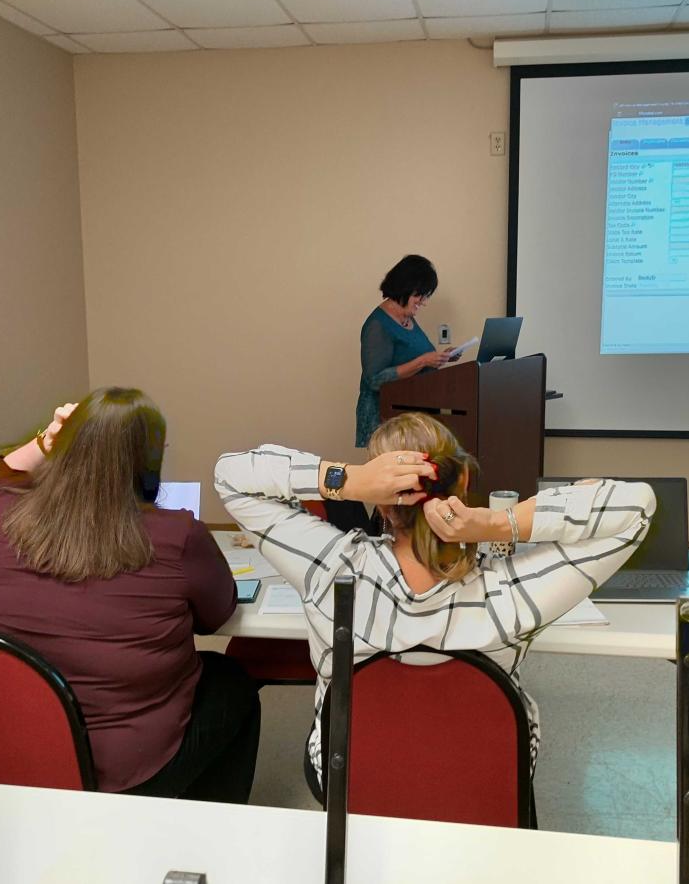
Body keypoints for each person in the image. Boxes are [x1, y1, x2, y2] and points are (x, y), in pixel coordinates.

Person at [214, 412, 655, 802]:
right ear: (462, 483)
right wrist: (498, 522)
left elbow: (230, 476)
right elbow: (637, 508)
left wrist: (346, 480)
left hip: (350, 779)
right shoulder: (510, 592)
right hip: (488, 780)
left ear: (381, 502)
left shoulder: (331, 570)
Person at [0, 387, 260, 803]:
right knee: (232, 682)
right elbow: (217, 615)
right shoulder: (177, 535)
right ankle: (202, 827)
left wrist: (46, 439)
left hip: (7, 749)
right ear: (151, 459)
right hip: (124, 768)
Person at [356, 255, 455, 449]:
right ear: (405, 287)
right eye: (420, 295)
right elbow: (375, 380)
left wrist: (440, 358)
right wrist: (423, 361)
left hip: (411, 414)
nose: (423, 302)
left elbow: (413, 358)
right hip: (386, 421)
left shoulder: (407, 317)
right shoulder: (378, 325)